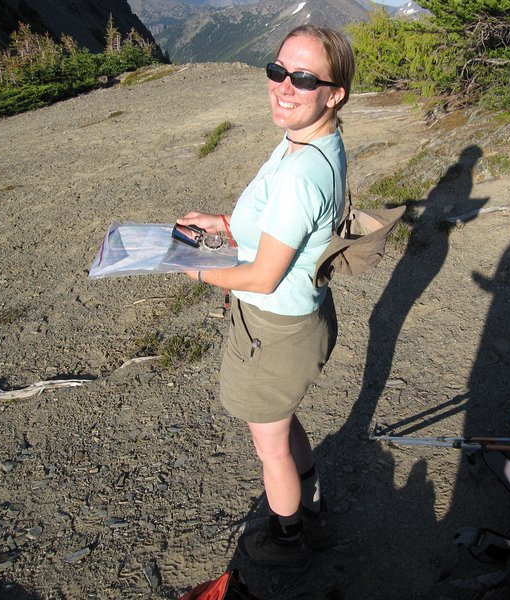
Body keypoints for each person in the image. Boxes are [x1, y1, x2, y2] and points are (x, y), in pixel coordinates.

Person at [176, 25, 355, 570]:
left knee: (269, 446)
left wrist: (196, 271)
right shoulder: (307, 139)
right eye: (278, 71)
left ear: (334, 93)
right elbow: (285, 228)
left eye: (303, 78)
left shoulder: (303, 169)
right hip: (295, 322)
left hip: (275, 332)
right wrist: (226, 224)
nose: (283, 86)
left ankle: (288, 538)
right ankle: (311, 506)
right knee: (281, 419)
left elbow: (262, 277)